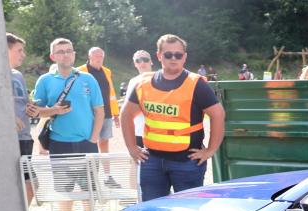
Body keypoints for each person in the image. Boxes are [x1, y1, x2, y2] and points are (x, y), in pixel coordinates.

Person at [120, 34, 225, 201]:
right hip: (152, 161)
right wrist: (132, 147)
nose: (174, 58)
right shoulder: (144, 84)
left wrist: (210, 150)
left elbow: (218, 114)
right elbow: (126, 115)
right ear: (159, 56)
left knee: (188, 210)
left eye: (178, 55)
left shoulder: (196, 84)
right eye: (168, 54)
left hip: (187, 162)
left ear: (185, 57)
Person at [32, 38, 104, 211]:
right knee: (64, 188)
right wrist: (54, 110)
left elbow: (99, 110)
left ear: (74, 54)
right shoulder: (45, 80)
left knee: (88, 187)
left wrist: (93, 139)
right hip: (59, 142)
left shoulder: (88, 79)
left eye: (68, 51)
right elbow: (36, 111)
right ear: (52, 56)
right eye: (60, 51)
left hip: (86, 142)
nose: (65, 54)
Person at [7, 33, 36, 207]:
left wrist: (31, 108)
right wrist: (8, 118)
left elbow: (23, 102)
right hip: (7, 141)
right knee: (20, 186)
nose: (23, 55)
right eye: (19, 50)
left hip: (25, 137)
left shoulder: (17, 75)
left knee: (30, 186)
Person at [77, 47, 119, 155]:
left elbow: (111, 93)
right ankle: (90, 165)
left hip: (106, 112)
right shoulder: (79, 71)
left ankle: (106, 166)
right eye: (96, 56)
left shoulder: (107, 71)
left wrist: (115, 113)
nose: (99, 58)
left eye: (101, 56)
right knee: (89, 141)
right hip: (88, 113)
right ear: (89, 56)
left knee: (104, 141)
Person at [123, 50, 153, 198]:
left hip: (156, 131)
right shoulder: (133, 81)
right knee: (135, 164)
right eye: (138, 60)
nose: (142, 63)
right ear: (135, 64)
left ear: (151, 62)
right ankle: (136, 198)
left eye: (145, 59)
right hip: (138, 131)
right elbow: (128, 109)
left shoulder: (159, 77)